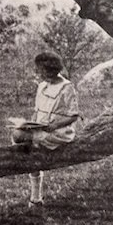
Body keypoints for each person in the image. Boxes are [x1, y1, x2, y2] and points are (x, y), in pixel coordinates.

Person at [11, 52, 79, 208]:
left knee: (21, 139)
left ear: (50, 70)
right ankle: (36, 196)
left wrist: (54, 126)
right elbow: (37, 111)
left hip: (58, 131)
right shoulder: (42, 86)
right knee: (17, 133)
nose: (38, 73)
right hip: (41, 128)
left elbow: (74, 116)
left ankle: (35, 196)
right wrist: (31, 123)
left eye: (41, 70)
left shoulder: (66, 87)